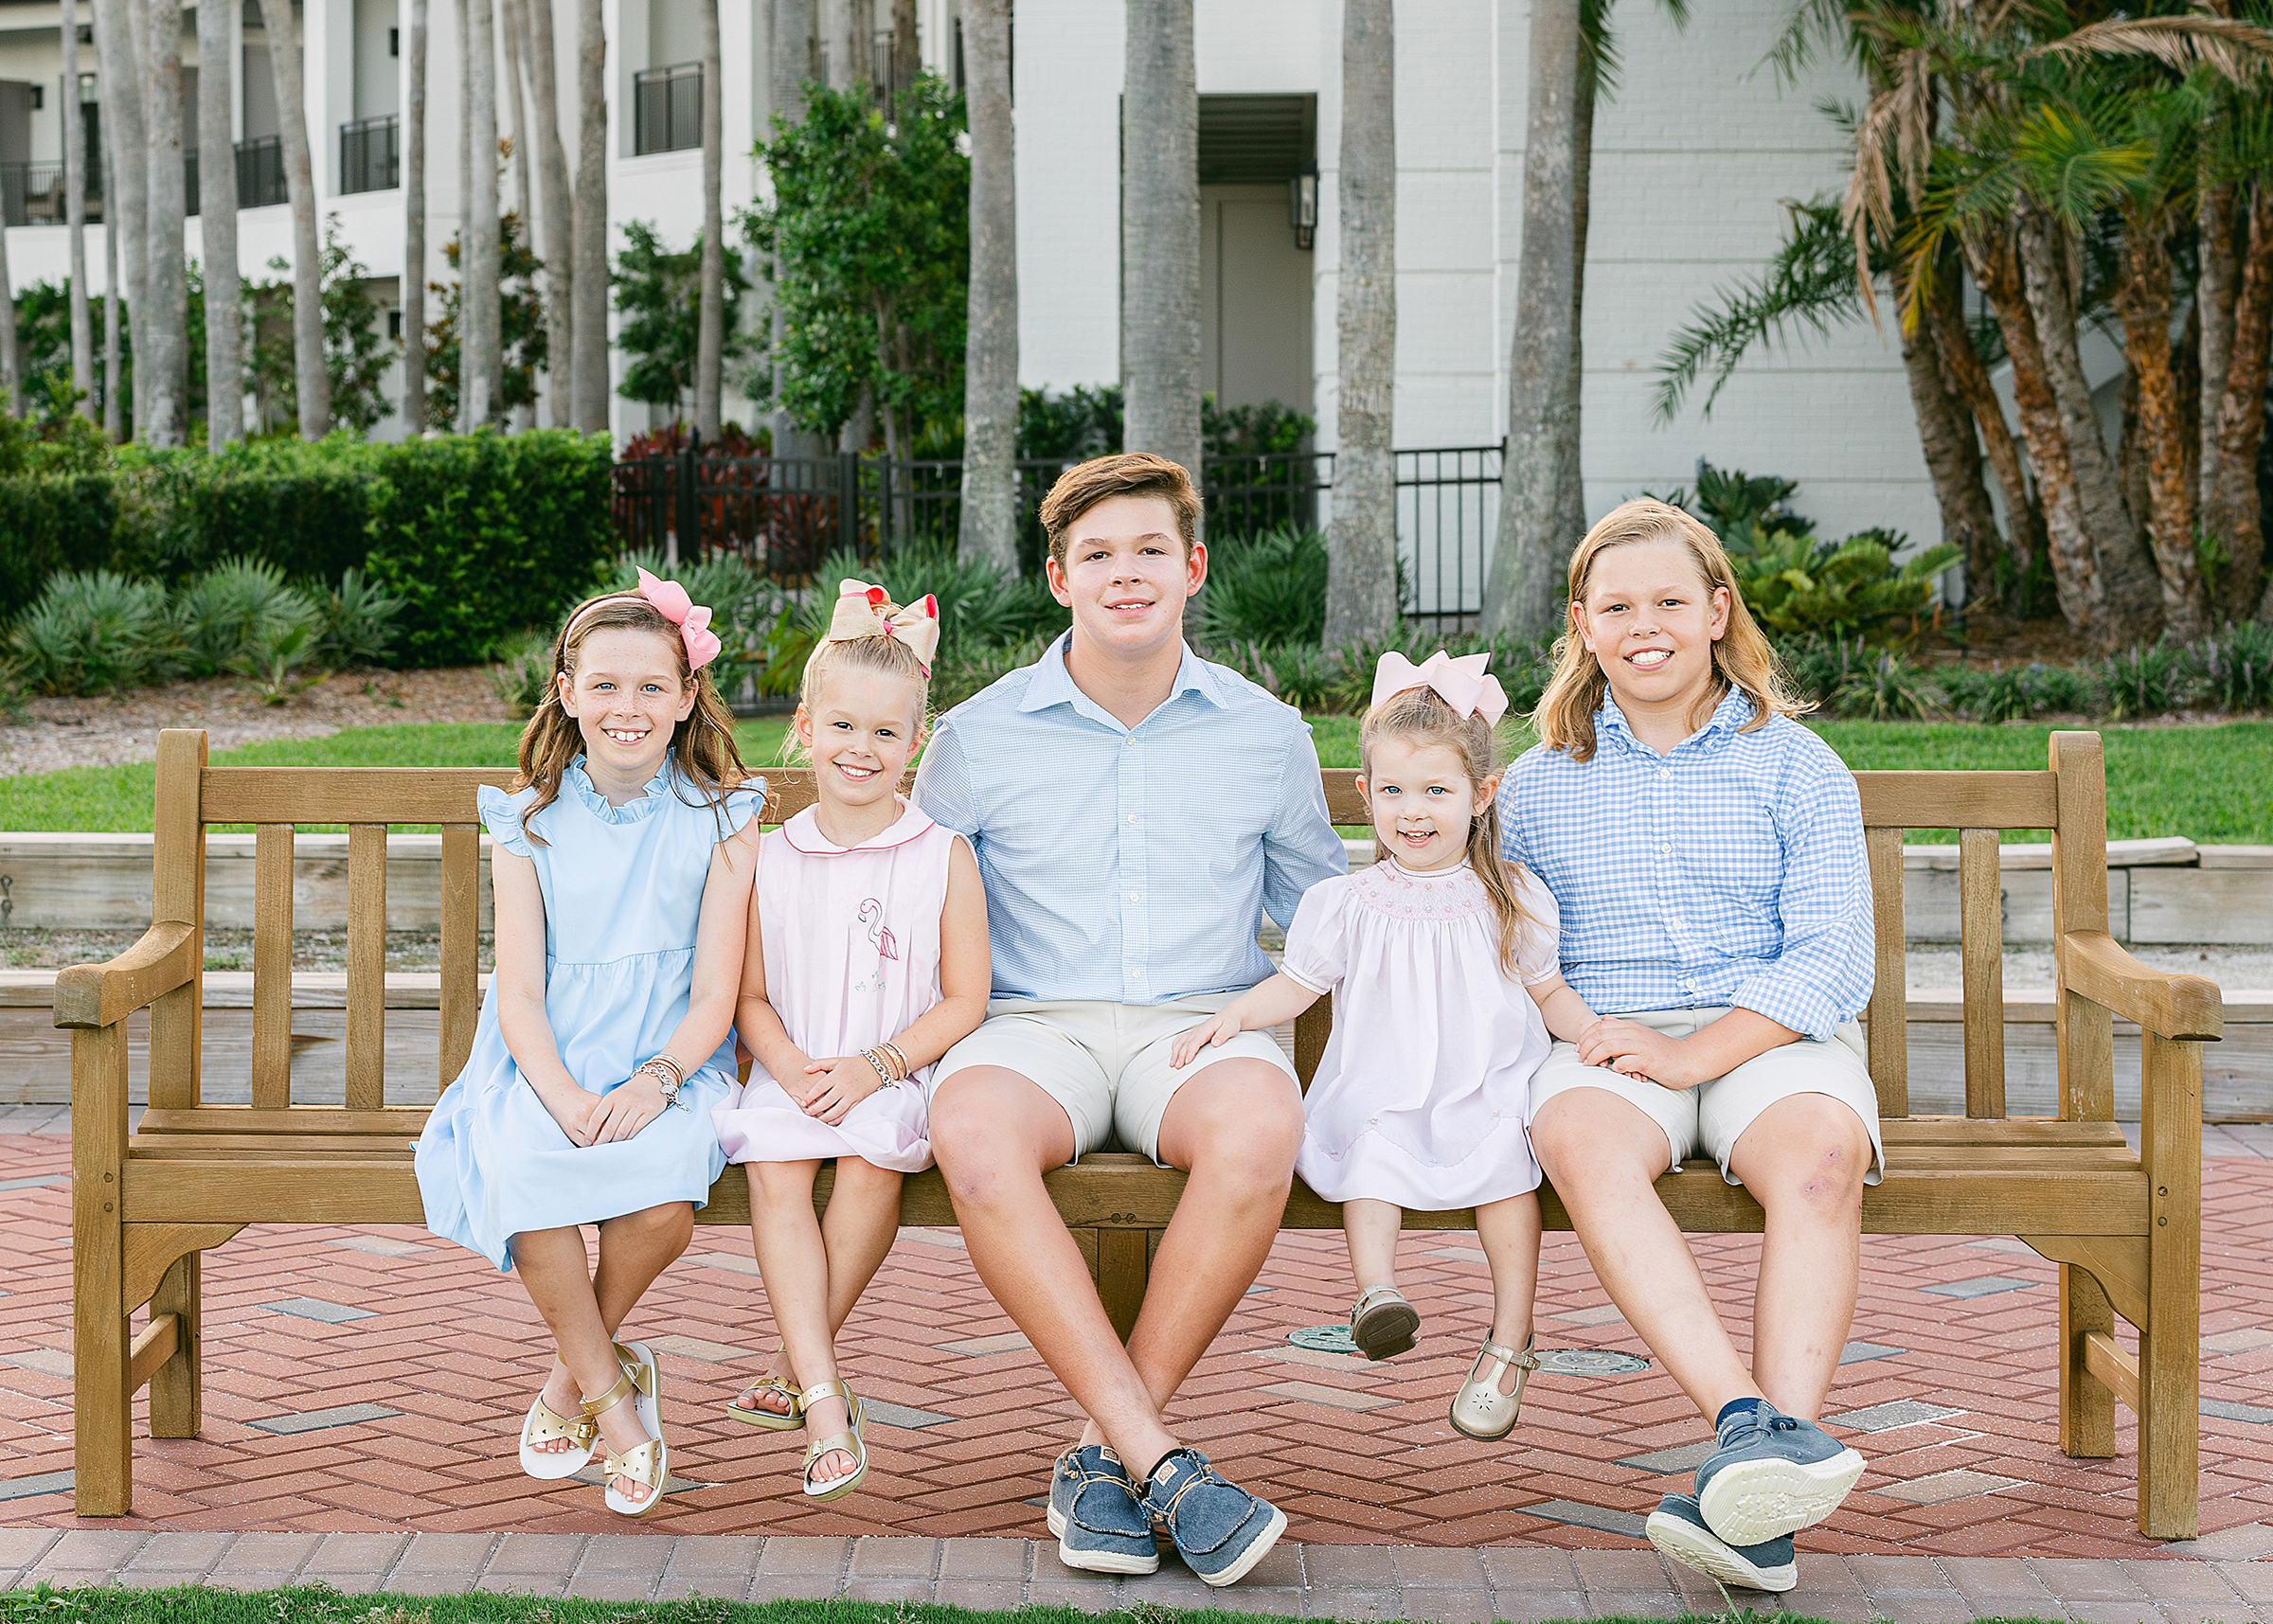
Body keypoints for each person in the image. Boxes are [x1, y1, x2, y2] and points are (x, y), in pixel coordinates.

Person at [912, 453, 1346, 1588]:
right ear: (1058, 578)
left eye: (1151, 549)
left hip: (1198, 1025)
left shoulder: (1265, 730)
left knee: (1261, 1126)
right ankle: (1157, 1456)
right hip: (1027, 1021)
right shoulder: (977, 732)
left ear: (1192, 566)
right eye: (1097, 555)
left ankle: (1109, 1458)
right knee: (971, 1127)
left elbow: (1320, 920)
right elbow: (907, 901)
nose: (1126, 574)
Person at [1498, 499, 1879, 1594]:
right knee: (1577, 1136)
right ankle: (1753, 1432)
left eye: (1671, 599)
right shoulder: (1533, 786)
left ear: (1718, 611)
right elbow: (1504, 946)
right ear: (1582, 622)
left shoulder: (1795, 764)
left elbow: (1829, 959)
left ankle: (1765, 1489)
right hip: (1610, 1037)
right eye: (1617, 605)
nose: (1645, 624)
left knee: (1819, 1155)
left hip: (1770, 1032)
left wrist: (1701, 1053)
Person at [1172, 650, 1599, 1442]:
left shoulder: (1513, 897)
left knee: (1506, 1164)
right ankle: (1377, 1292)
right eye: (1395, 791)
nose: (1414, 811)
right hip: (1383, 1086)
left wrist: (1596, 1034)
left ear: (1482, 794)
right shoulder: (1346, 902)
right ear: (1366, 793)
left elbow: (1550, 994)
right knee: (1368, 1148)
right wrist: (1233, 1017)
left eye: (1437, 791)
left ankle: (1509, 1340)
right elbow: (1297, 985)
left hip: (1488, 1083)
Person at [414, 570, 762, 1519]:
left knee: (662, 1206)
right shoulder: (527, 816)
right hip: (544, 1059)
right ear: (565, 692)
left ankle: (576, 1374)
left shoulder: (724, 817)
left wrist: (657, 1080)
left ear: (688, 697)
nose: (627, 706)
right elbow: (520, 991)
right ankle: (616, 1410)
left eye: (652, 686)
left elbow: (714, 993)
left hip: (670, 1057)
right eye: (604, 684)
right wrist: (563, 1096)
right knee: (523, 1169)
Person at [712, 580, 989, 1503]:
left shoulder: (940, 854)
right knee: (777, 1167)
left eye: (885, 733)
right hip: (796, 1064)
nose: (860, 750)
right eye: (842, 727)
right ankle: (825, 1393)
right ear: (803, 726)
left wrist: (878, 1065)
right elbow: (749, 995)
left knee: (873, 1157)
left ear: (917, 743)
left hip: (894, 1065)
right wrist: (789, 1068)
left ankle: (806, 1377)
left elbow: (965, 998)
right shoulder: (772, 854)